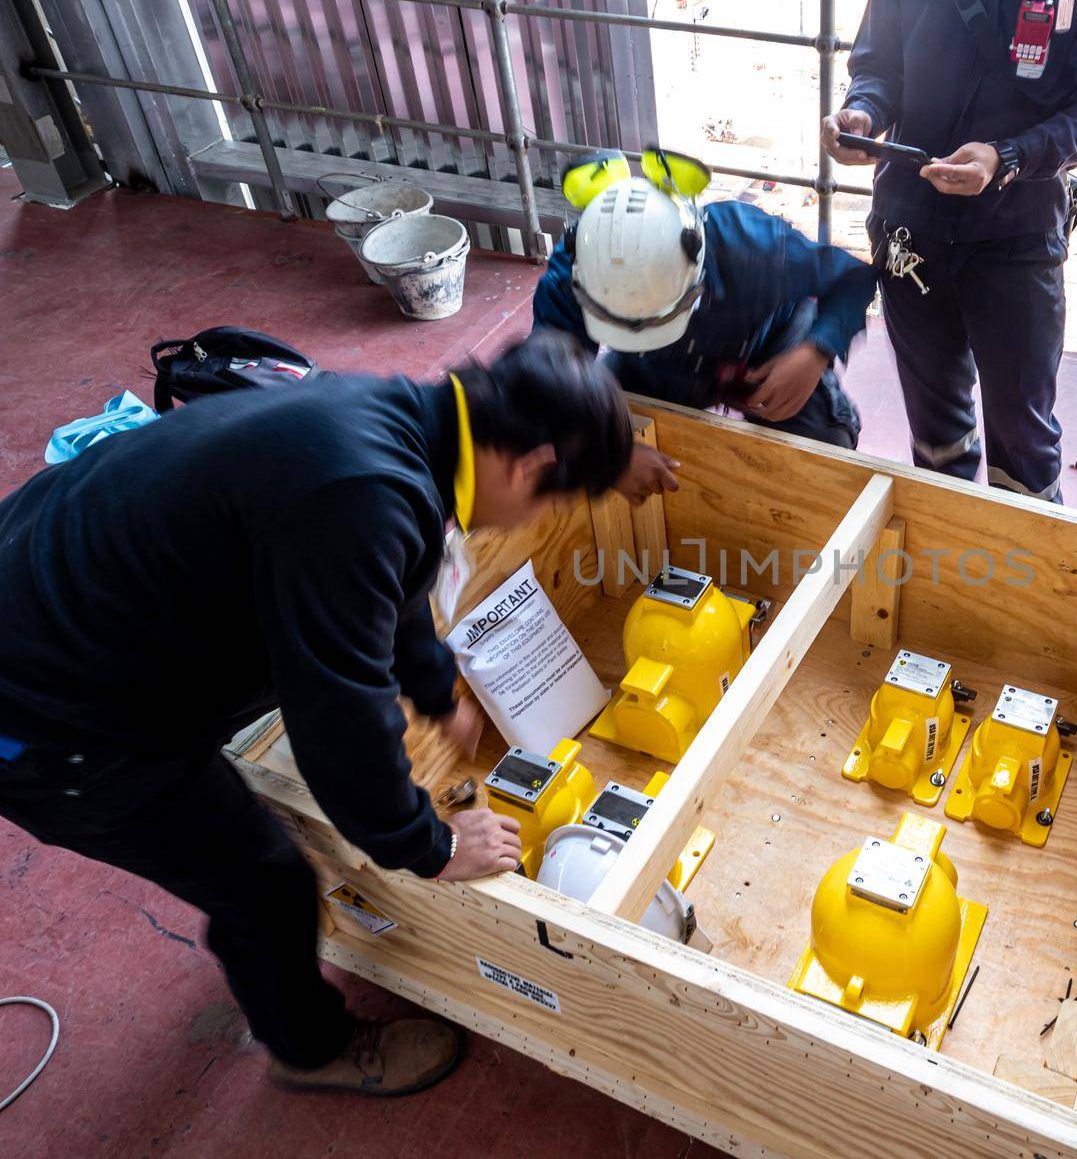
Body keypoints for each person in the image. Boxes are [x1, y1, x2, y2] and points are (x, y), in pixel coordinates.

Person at [0, 332, 634, 1096]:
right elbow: (338, 724)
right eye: (554, 499)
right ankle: (311, 1047)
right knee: (265, 883)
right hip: (50, 713)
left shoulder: (397, 422)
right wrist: (429, 846)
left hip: (47, 578)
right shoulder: (360, 496)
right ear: (532, 465)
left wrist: (436, 691)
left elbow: (396, 570)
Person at [824, 0, 1077, 502]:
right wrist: (863, 113)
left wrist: (1009, 157)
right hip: (910, 232)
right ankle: (947, 555)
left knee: (1023, 434)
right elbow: (879, 62)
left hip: (1018, 233)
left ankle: (1028, 570)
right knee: (935, 428)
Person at [532, 173, 877, 463]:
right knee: (588, 432)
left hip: (763, 345)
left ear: (697, 271)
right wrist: (611, 458)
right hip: (653, 366)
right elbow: (550, 385)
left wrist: (816, 351)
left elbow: (852, 279)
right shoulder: (576, 271)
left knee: (825, 447)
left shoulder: (749, 243)